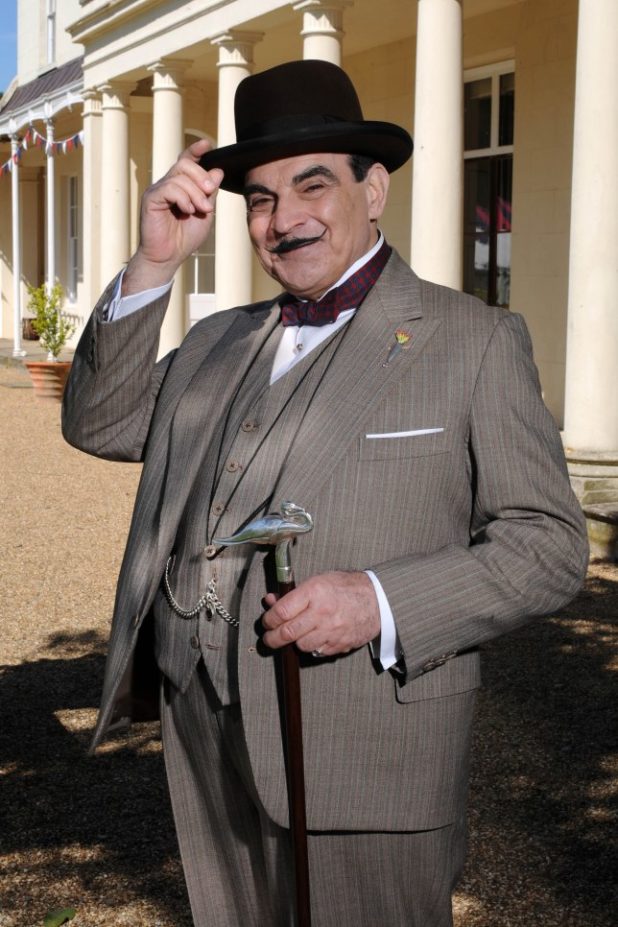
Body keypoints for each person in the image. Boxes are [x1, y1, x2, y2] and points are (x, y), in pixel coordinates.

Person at [62, 60, 588, 926]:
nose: (284, 219)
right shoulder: (217, 340)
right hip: (203, 730)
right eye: (261, 199)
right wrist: (155, 262)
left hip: (364, 747)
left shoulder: (475, 340)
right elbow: (99, 420)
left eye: (313, 185)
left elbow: (550, 543)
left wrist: (380, 600)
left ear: (372, 191)